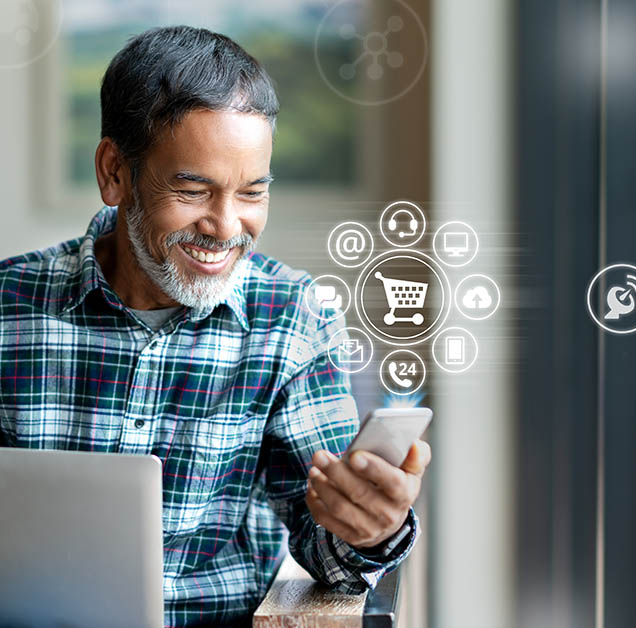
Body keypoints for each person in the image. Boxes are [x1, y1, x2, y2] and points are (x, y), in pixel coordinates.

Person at [0, 26, 430, 626]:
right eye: (192, 189)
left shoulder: (290, 316)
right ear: (114, 172)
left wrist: (370, 529)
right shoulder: (8, 307)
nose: (225, 227)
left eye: (253, 192)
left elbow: (328, 553)